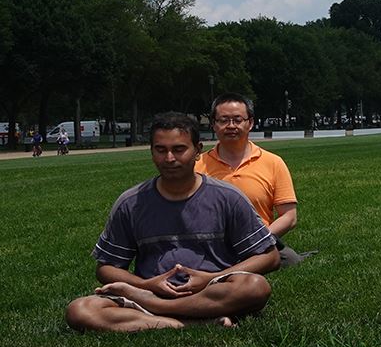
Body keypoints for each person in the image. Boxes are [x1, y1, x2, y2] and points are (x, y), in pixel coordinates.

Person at [65, 112, 279, 332]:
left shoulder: (227, 198)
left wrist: (212, 278)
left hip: (210, 292)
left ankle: (158, 311)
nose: (169, 158)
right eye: (161, 150)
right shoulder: (131, 203)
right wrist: (146, 285)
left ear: (197, 150)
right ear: (151, 152)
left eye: (178, 149)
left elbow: (269, 256)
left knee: (255, 287)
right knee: (80, 310)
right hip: (150, 291)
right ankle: (190, 322)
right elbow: (106, 267)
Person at [195, 93, 308, 268]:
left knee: (290, 259)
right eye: (223, 120)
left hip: (259, 242)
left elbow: (289, 216)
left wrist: (258, 239)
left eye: (237, 120)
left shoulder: (273, 162)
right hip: (212, 245)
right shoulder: (197, 166)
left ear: (250, 123)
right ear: (213, 124)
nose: (231, 126)